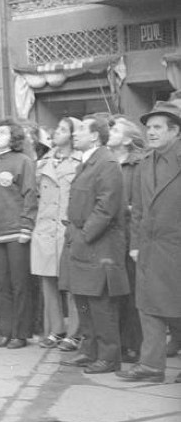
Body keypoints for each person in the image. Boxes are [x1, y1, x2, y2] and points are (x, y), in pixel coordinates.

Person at [59, 116, 128, 374]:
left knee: (101, 304)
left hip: (98, 246)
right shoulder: (88, 161)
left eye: (80, 130)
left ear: (95, 136)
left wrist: (83, 235)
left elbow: (106, 207)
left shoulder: (107, 162)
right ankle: (89, 351)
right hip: (82, 243)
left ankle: (109, 357)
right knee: (84, 300)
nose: (74, 134)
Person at [118, 101, 181, 383]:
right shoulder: (145, 163)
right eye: (149, 127)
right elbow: (139, 210)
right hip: (149, 248)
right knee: (148, 306)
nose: (151, 132)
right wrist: (135, 244)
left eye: (158, 127)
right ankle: (151, 366)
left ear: (175, 131)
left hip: (176, 246)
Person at [0, 118, 37, 349]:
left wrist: (26, 226)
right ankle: (4, 331)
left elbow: (30, 195)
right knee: (0, 285)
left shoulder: (23, 161)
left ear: (13, 138)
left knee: (19, 284)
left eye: (1, 133)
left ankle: (20, 333)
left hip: (16, 233)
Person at [30, 118, 82, 349]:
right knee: (47, 282)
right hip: (44, 229)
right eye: (56, 129)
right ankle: (56, 329)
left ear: (72, 135)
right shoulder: (44, 162)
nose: (55, 133)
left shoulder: (81, 162)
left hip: (66, 229)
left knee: (71, 284)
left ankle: (75, 332)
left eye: (62, 130)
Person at [108, 115, 146, 363]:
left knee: (133, 294)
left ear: (129, 139)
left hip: (132, 236)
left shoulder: (140, 163)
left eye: (116, 129)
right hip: (110, 237)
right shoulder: (106, 161)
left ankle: (135, 344)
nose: (110, 131)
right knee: (114, 293)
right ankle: (118, 343)